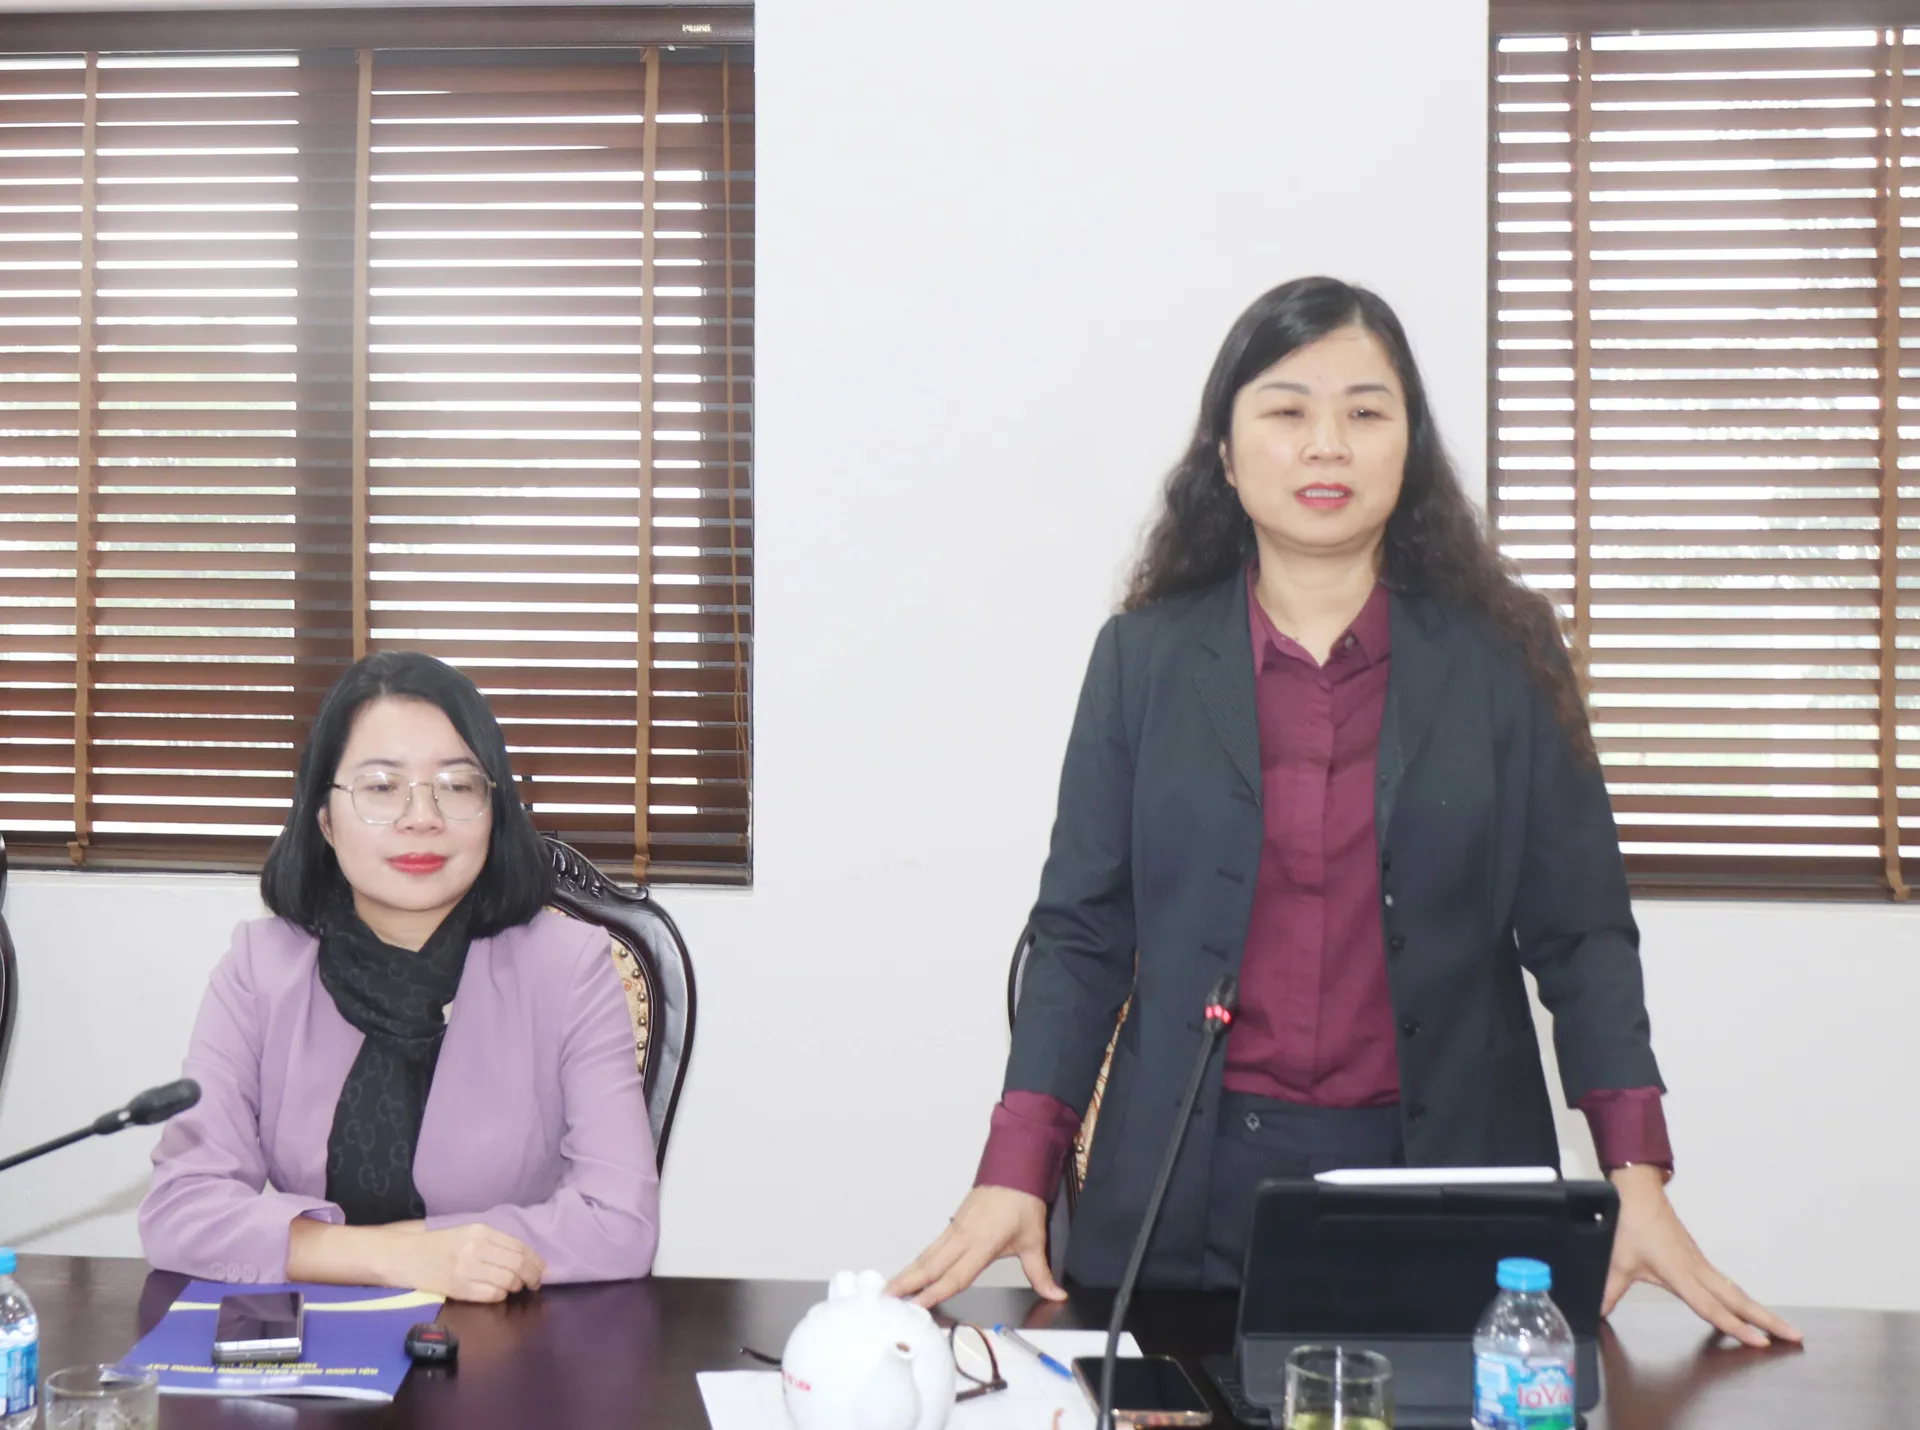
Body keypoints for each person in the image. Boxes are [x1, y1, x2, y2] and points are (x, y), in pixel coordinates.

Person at [889, 277, 1800, 1349]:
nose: (1327, 444)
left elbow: (1582, 930)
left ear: (1409, 446)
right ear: (1226, 454)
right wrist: (1016, 1168)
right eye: (1287, 410)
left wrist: (1634, 1175)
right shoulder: (1143, 661)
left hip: (1448, 1179)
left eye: (1366, 412)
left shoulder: (1504, 655)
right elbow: (1081, 935)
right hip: (1185, 1191)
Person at [139, 651, 658, 1301]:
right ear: (325, 820)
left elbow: (619, 1223)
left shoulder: (568, 967)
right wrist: (397, 1256)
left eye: (457, 785)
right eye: (382, 786)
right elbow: (180, 1209)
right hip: (318, 1343)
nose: (422, 817)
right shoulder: (260, 969)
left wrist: (340, 1251)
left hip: (506, 1336)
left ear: (494, 811)